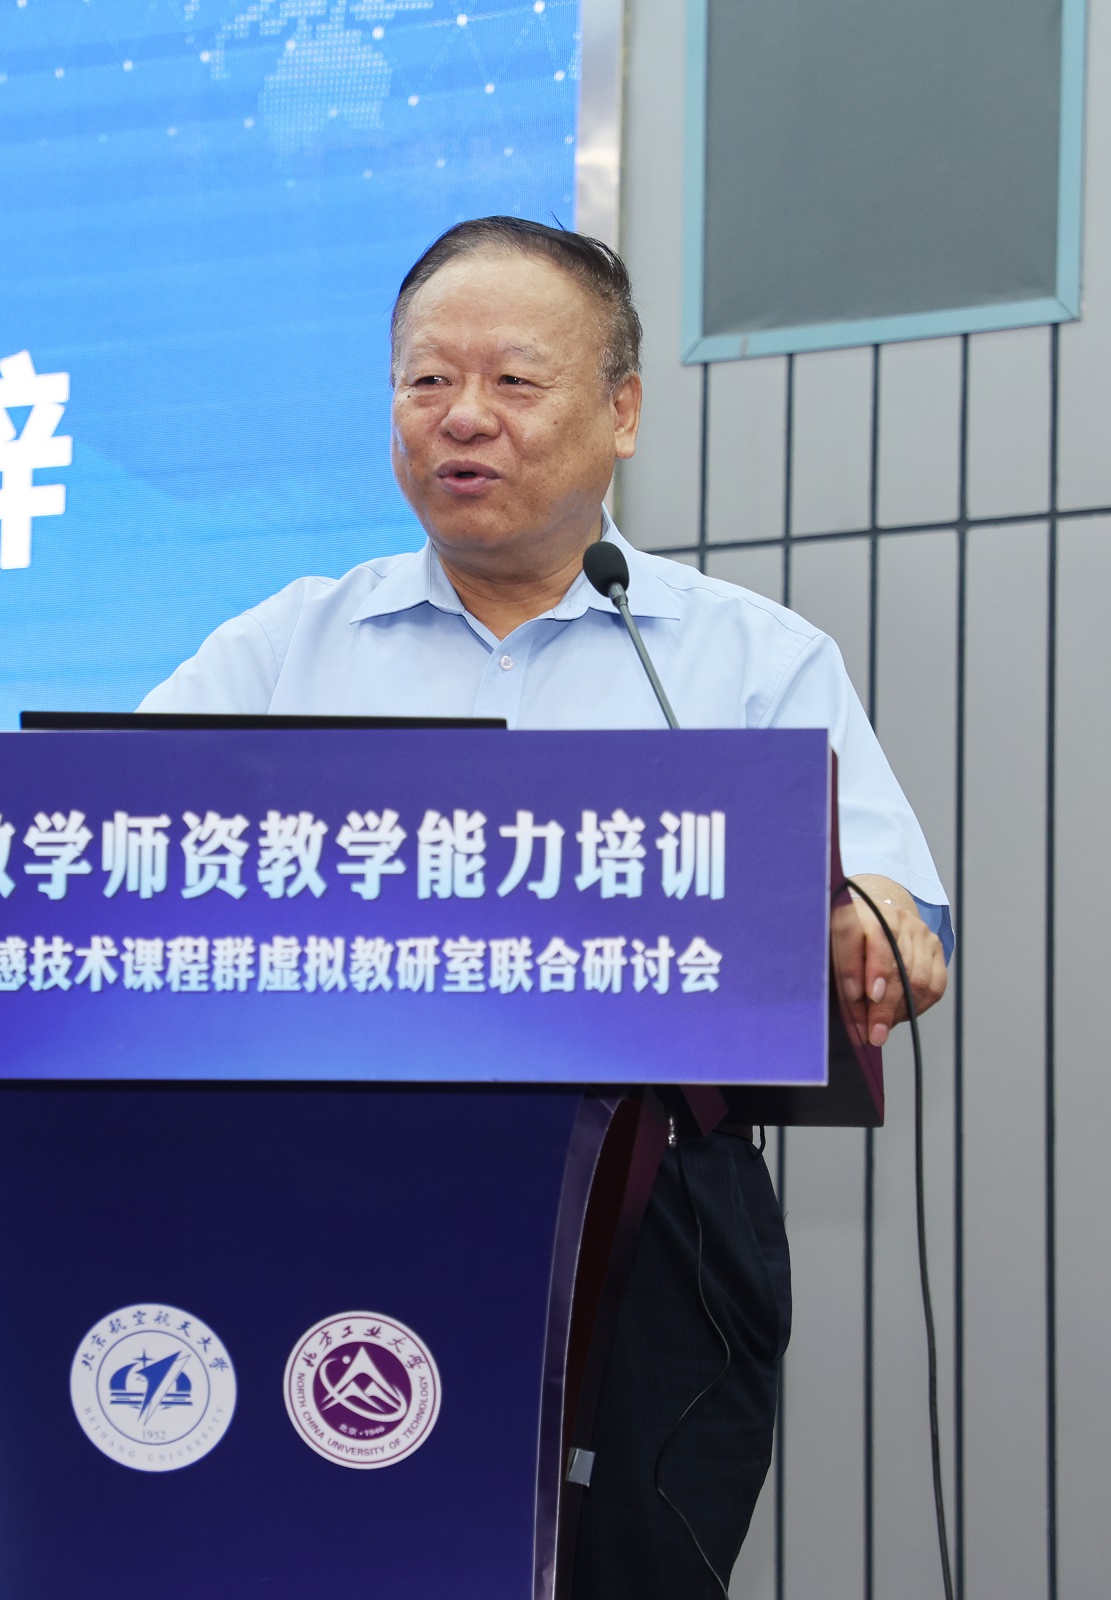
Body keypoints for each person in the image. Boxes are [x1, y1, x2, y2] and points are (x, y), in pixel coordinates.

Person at [138, 216, 950, 1594]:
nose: (463, 418)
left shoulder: (741, 658)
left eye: (514, 381)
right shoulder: (285, 648)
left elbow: (887, 904)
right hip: (321, 1197)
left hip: (654, 1218)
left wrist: (870, 913)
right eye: (426, 381)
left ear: (621, 412)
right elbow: (101, 846)